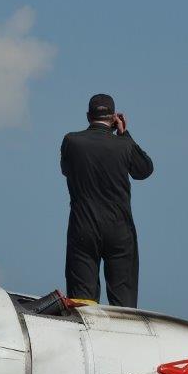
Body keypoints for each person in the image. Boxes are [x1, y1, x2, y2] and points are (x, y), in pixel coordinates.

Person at [60, 93, 154, 307]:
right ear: (113, 118)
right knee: (124, 306)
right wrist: (124, 134)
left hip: (83, 228)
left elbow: (66, 170)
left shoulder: (71, 141)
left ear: (87, 116)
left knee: (82, 304)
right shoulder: (123, 144)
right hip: (119, 231)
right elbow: (144, 170)